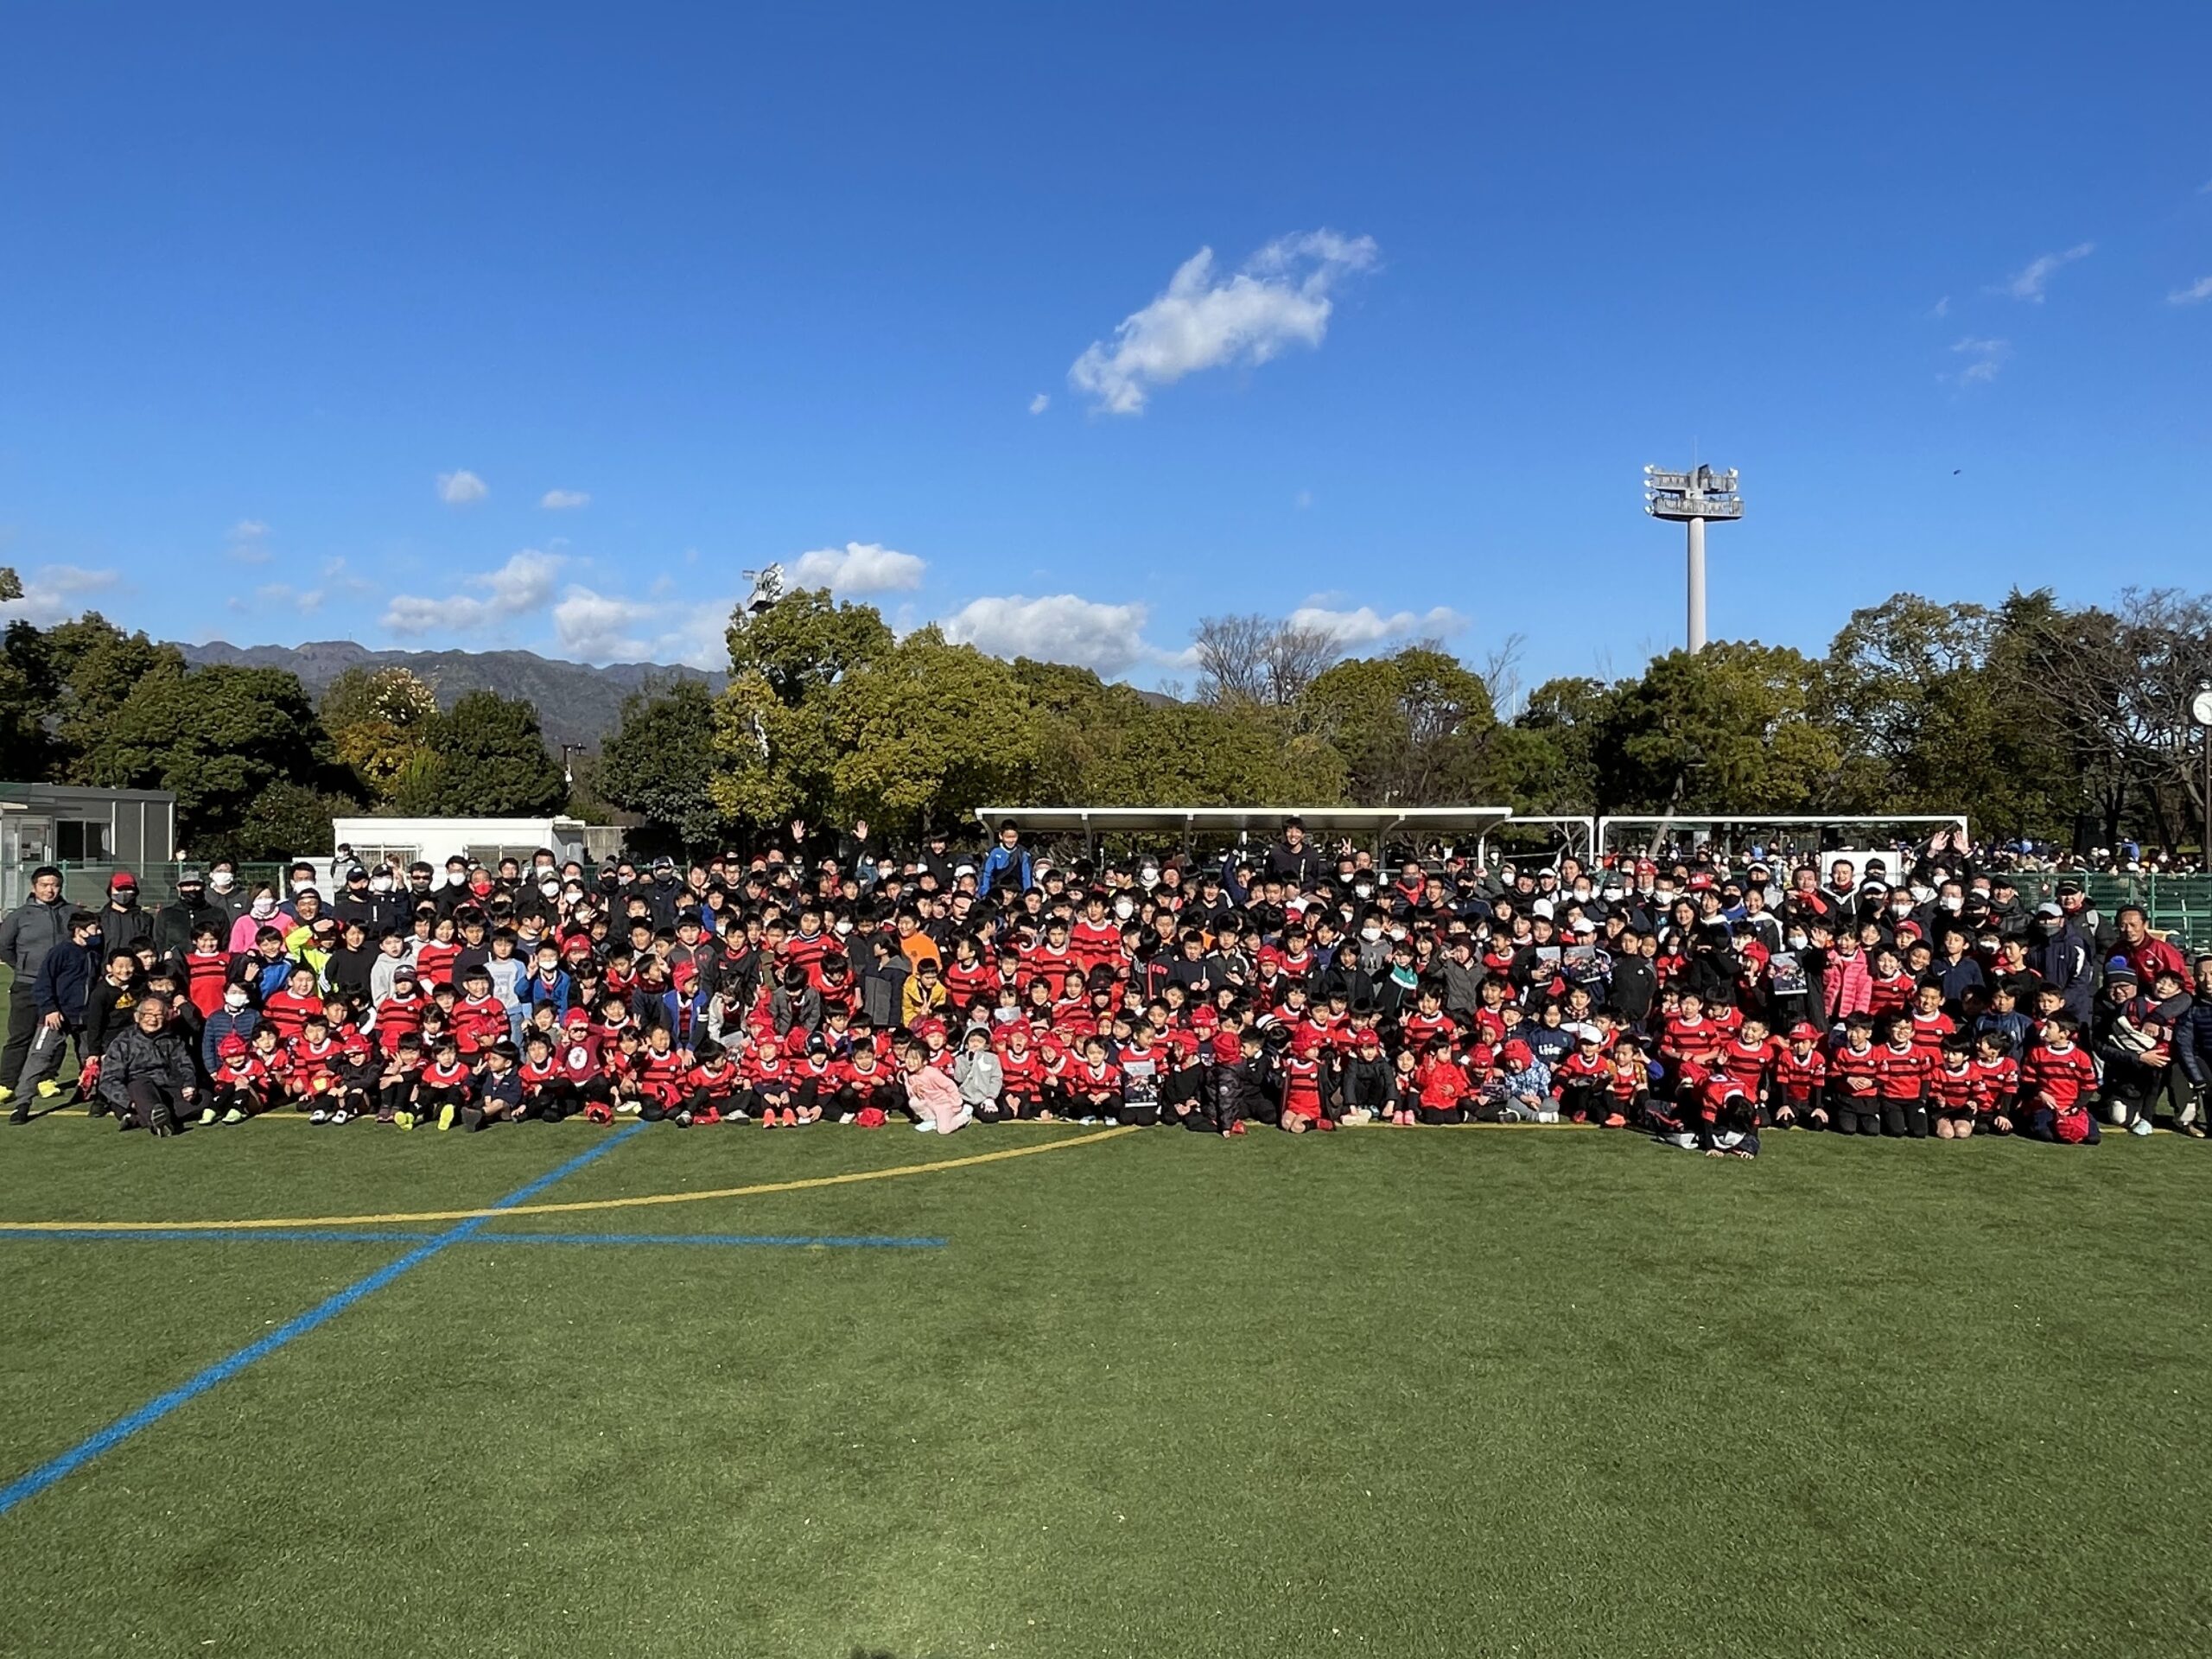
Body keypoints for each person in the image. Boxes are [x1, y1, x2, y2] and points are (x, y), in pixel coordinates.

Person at [14, 909, 100, 1116]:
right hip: (57, 1016)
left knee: (89, 1058)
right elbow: (43, 983)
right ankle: (23, 1102)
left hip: (86, 1017)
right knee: (39, 1057)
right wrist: (50, 1009)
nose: (98, 932)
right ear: (79, 931)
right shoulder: (61, 951)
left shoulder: (95, 952)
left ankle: (87, 1091)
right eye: (94, 928)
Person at [0, 865, 72, 1103]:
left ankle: (46, 1078)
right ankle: (7, 1083)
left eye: (54, 885)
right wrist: (23, 968)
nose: (50, 890)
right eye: (44, 885)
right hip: (26, 985)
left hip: (60, 988)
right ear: (34, 887)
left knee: (55, 1034)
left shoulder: (71, 913)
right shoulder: (19, 916)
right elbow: (4, 946)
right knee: (20, 1035)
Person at [95, 993, 201, 1135]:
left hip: (167, 1089)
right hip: (138, 1091)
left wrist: (189, 1085)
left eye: (159, 1015)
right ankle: (158, 1123)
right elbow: (108, 1080)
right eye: (148, 1014)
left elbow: (185, 1065)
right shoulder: (123, 1042)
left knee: (204, 1098)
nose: (153, 1019)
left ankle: (140, 1119)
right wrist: (130, 1102)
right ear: (137, 1017)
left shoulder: (173, 1039)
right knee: (140, 1087)